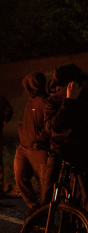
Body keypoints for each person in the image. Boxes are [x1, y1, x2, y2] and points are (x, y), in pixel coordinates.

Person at [42, 64, 88, 210]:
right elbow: (53, 126)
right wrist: (68, 102)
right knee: (50, 186)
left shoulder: (85, 98)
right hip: (60, 149)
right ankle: (43, 214)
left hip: (81, 150)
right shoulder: (55, 100)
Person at [13, 72, 49, 214]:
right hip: (24, 147)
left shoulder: (44, 101)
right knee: (20, 176)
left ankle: (45, 214)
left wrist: (38, 139)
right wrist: (22, 131)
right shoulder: (30, 100)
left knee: (44, 183)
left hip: (38, 149)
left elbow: (50, 125)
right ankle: (34, 207)